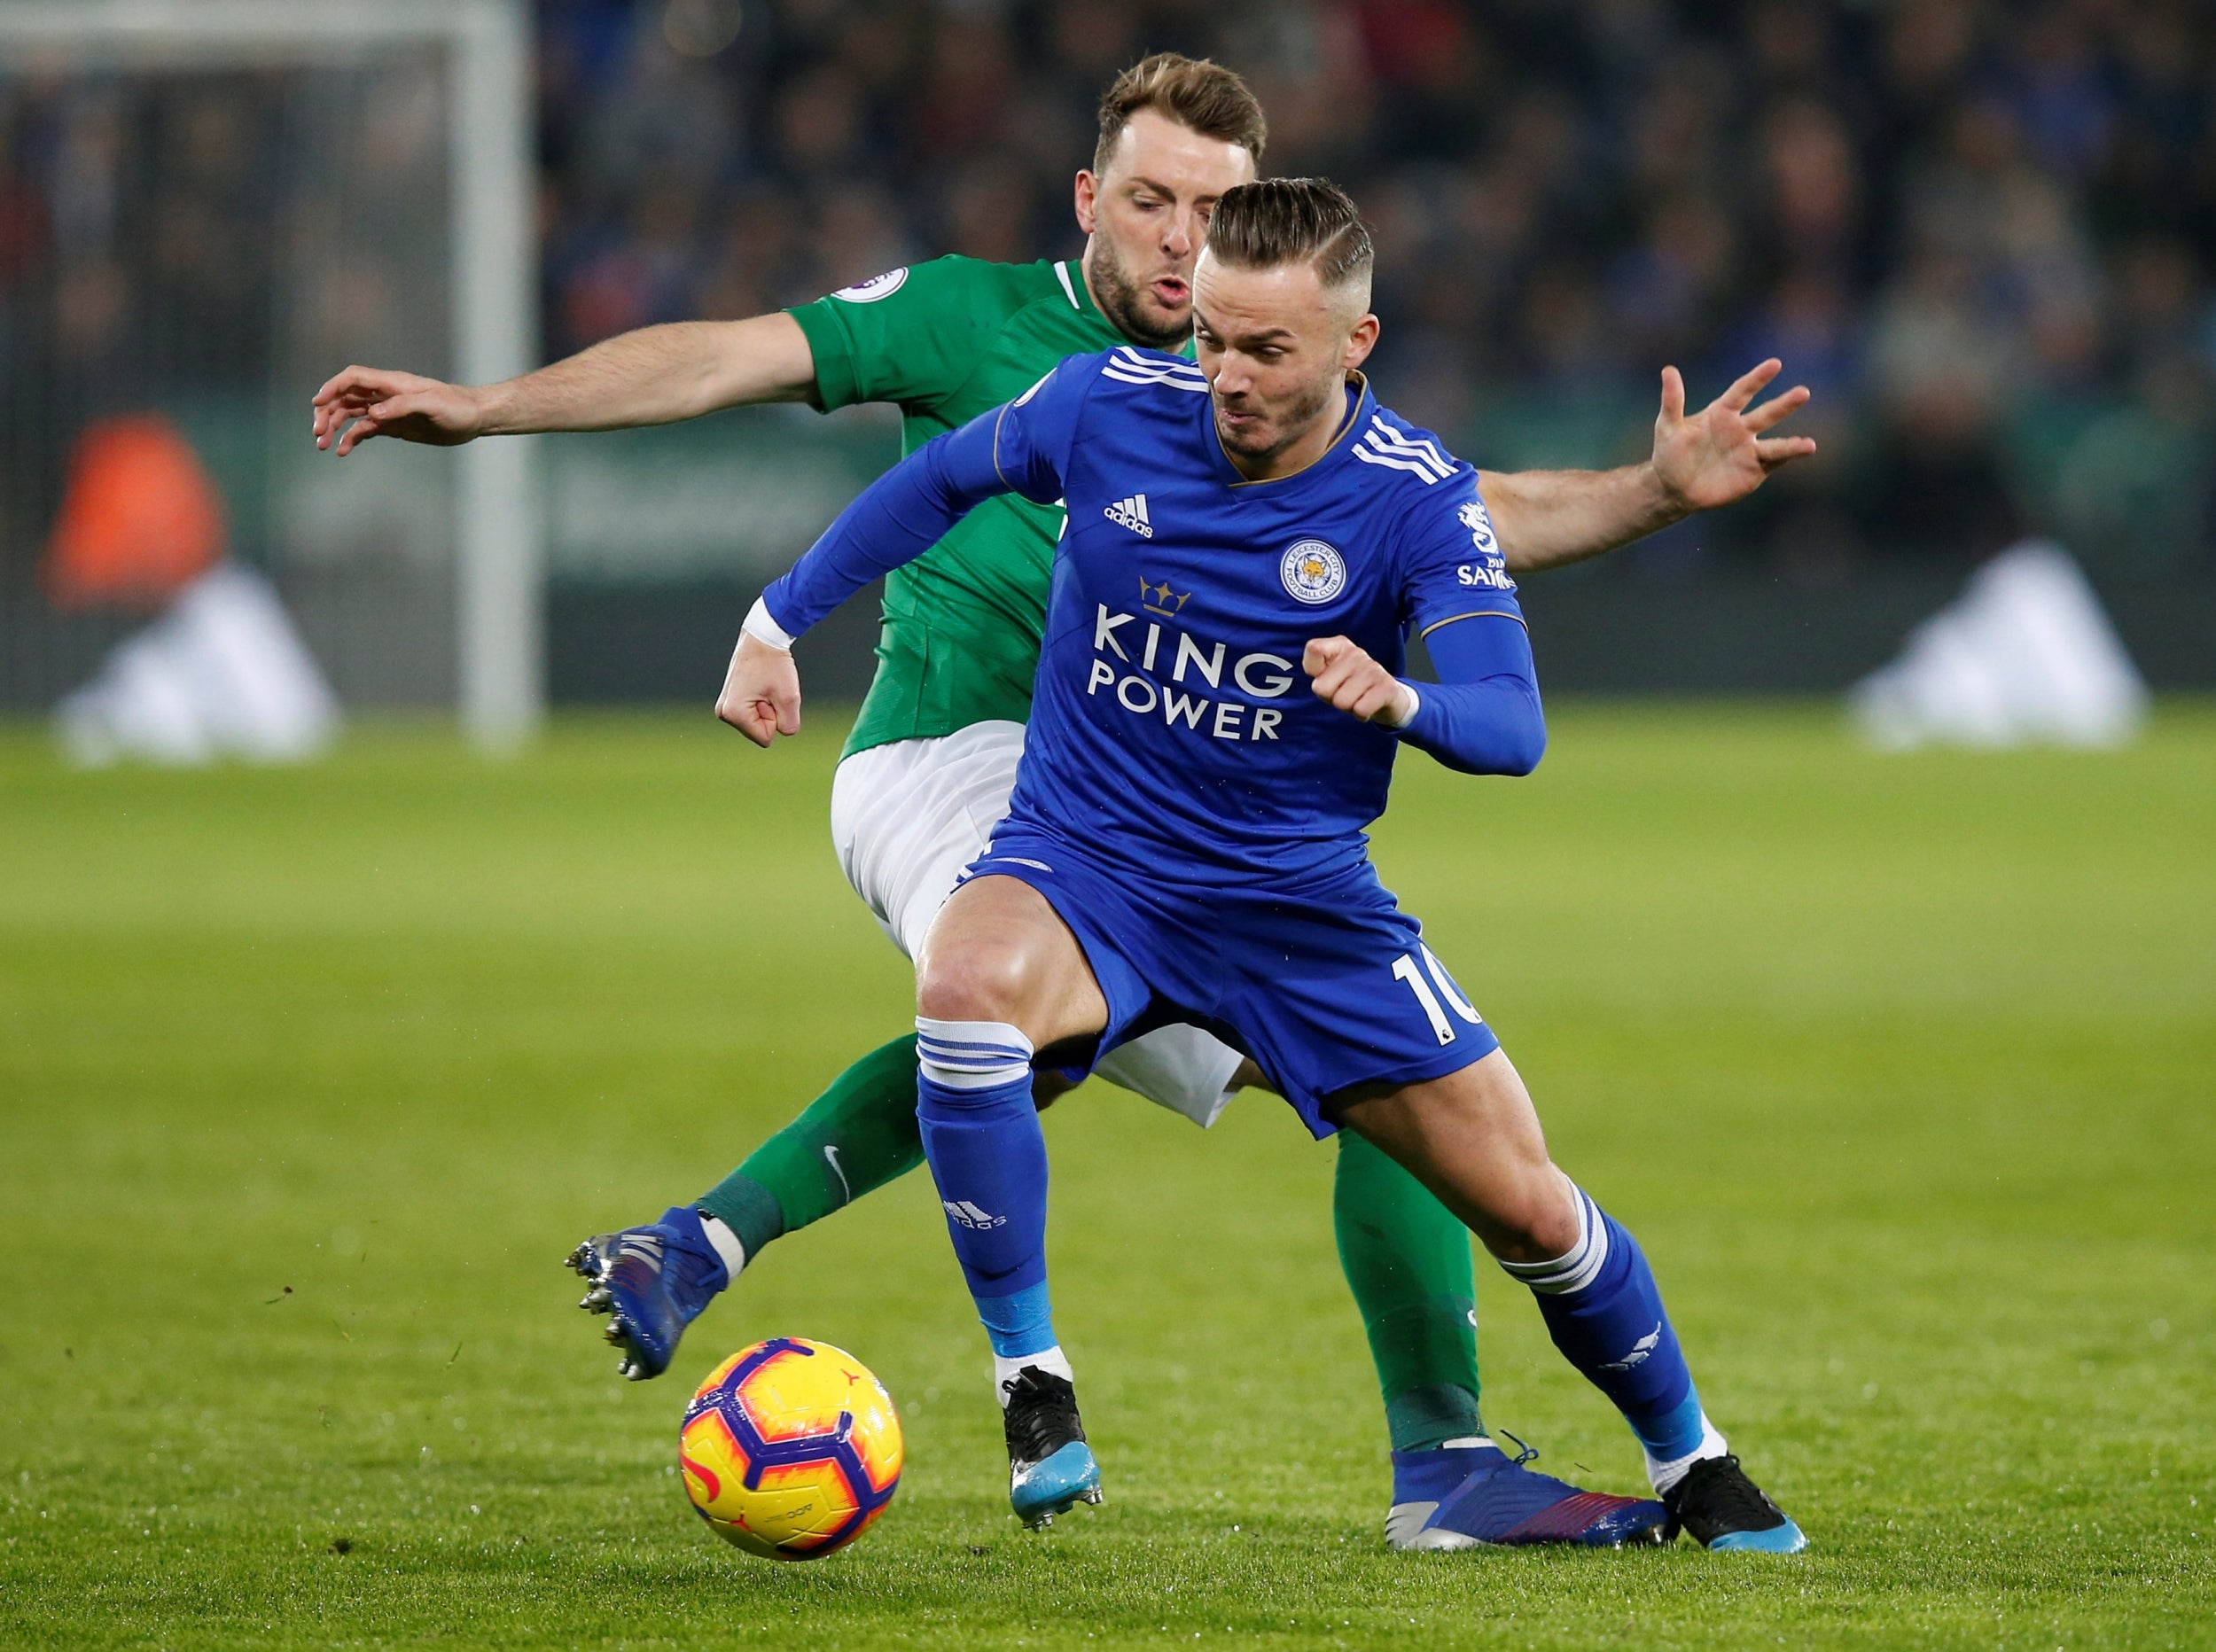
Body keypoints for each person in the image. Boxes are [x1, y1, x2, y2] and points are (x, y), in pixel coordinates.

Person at [313, 56, 1811, 1548]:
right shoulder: (988, 329)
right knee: (1001, 1005)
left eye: (1215, 214)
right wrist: (489, 410)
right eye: (1153, 203)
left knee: (1358, 1104)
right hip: (961, 752)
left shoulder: (1296, 394)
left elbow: (1462, 519)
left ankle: (1452, 1462)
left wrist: (1648, 496)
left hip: (1190, 809)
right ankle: (825, 1288)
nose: (1183, 240)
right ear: (1091, 199)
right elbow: (719, 358)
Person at [722, 176, 1812, 1553]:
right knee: (966, 986)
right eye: (1214, 338)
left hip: (1299, 910)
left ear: (1356, 344)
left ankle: (1693, 1462)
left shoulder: (1415, 501)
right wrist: (778, 620)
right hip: (1092, 866)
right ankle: (1033, 1383)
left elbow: (1512, 726)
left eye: (1265, 349)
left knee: (1531, 1206)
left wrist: (1403, 701)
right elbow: (937, 481)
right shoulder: (1108, 405)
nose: (1225, 374)